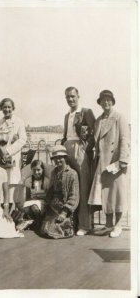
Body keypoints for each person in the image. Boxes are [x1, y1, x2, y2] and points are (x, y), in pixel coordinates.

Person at [88, 90, 130, 238]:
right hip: (102, 162)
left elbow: (125, 140)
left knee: (117, 194)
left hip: (115, 162)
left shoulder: (119, 118)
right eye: (103, 100)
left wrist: (123, 161)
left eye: (109, 100)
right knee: (106, 195)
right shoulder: (99, 120)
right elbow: (95, 140)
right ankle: (108, 224)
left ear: (112, 101)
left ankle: (117, 225)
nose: (106, 102)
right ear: (100, 103)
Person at [61, 87, 95, 236]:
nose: (70, 99)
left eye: (73, 96)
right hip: (67, 148)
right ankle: (71, 222)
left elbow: (94, 133)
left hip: (79, 150)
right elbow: (65, 135)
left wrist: (86, 149)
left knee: (83, 185)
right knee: (70, 185)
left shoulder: (86, 112)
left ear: (78, 96)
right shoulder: (67, 115)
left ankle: (85, 225)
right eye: (68, 97)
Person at [0, 98, 27, 210]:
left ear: (13, 108)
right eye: (4, 107)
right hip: (1, 159)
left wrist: (8, 151)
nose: (7, 109)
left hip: (13, 158)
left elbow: (22, 139)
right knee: (2, 186)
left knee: (13, 185)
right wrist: (0, 154)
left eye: (9, 107)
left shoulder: (19, 122)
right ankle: (3, 213)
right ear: (1, 108)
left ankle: (12, 215)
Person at [41, 145, 79, 239]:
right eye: (55, 158)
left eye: (60, 158)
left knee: (57, 230)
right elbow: (50, 190)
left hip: (65, 207)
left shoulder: (72, 173)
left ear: (65, 158)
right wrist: (46, 203)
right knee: (44, 229)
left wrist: (64, 212)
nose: (58, 160)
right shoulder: (53, 172)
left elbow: (74, 195)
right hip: (54, 206)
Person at [16, 160, 50, 231]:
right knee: (24, 207)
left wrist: (40, 198)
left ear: (42, 170)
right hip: (32, 201)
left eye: (38, 170)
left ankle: (38, 222)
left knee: (34, 207)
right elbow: (28, 196)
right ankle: (33, 222)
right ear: (31, 170)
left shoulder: (46, 181)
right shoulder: (29, 180)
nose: (36, 172)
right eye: (34, 170)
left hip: (43, 202)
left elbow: (49, 196)